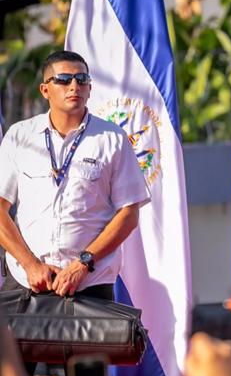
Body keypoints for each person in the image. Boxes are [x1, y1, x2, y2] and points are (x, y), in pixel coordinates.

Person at [0, 50, 149, 301]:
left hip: (90, 284)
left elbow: (129, 214)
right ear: (45, 90)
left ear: (90, 89)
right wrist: (30, 265)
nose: (74, 86)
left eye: (81, 80)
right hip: (27, 283)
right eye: (63, 79)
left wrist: (82, 264)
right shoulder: (19, 136)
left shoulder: (112, 139)